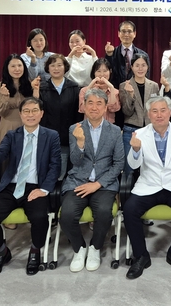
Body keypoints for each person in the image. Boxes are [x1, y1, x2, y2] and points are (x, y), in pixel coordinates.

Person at [0, 97, 61, 278]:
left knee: (39, 217)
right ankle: (1, 252)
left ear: (41, 114)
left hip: (36, 186)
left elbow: (55, 166)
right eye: (26, 111)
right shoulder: (12, 135)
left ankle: (35, 251)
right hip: (12, 186)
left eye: (34, 110)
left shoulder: (51, 136)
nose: (30, 115)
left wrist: (44, 190)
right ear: (21, 114)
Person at [123, 96, 171, 279]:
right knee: (129, 210)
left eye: (163, 110)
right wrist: (135, 150)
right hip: (148, 185)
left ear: (170, 112)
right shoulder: (139, 134)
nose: (159, 115)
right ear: (148, 114)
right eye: (155, 111)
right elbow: (133, 166)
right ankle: (141, 256)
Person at [60, 89, 124, 272]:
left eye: (99, 103)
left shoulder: (114, 131)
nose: (94, 107)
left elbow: (119, 163)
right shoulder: (75, 129)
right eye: (90, 103)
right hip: (78, 180)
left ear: (105, 108)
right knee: (66, 215)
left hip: (103, 183)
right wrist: (80, 143)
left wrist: (98, 184)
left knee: (104, 213)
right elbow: (75, 161)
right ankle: (79, 248)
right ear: (84, 106)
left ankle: (95, 248)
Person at [38, 53, 81, 173]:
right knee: (47, 169)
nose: (56, 68)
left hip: (68, 137)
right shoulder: (41, 87)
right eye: (52, 65)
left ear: (65, 67)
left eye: (59, 65)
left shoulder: (74, 87)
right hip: (47, 136)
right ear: (48, 68)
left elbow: (77, 114)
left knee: (65, 170)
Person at [119, 53, 159, 175]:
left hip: (149, 131)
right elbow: (127, 111)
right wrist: (130, 95)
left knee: (149, 168)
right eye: (137, 65)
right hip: (131, 131)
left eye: (143, 65)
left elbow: (155, 110)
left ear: (148, 67)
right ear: (131, 67)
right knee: (129, 168)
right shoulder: (124, 86)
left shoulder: (154, 86)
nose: (140, 68)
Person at [0, 53, 41, 148]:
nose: (17, 69)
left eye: (20, 65)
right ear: (7, 68)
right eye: (13, 66)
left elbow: (37, 109)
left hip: (29, 126)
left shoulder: (31, 84)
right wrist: (5, 97)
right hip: (8, 126)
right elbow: (1, 112)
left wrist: (36, 93)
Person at [104, 20, 150, 90]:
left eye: (129, 31)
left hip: (136, 91)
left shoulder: (143, 55)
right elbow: (107, 73)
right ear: (118, 34)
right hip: (116, 91)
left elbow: (146, 77)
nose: (126, 34)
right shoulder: (112, 53)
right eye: (123, 31)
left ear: (134, 34)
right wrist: (109, 55)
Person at [78, 58, 121, 125]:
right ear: (94, 72)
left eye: (105, 71)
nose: (102, 74)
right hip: (89, 126)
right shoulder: (84, 90)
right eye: (98, 71)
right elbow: (83, 109)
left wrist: (111, 87)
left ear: (110, 71)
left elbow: (113, 109)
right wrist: (90, 86)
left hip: (108, 127)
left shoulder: (115, 91)